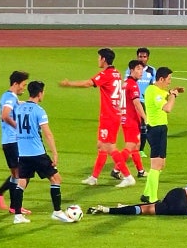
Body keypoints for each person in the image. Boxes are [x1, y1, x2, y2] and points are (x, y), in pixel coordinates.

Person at [59, 48, 135, 187]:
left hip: (110, 115)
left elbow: (89, 83)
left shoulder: (106, 74)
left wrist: (69, 83)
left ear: (104, 59)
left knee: (110, 147)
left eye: (99, 57)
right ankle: (94, 178)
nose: (98, 60)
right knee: (101, 146)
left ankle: (128, 176)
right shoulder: (116, 73)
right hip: (112, 114)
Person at [9, 80, 73, 223]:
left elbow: (16, 105)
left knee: (21, 182)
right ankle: (57, 212)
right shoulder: (39, 111)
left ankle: (18, 216)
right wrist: (55, 153)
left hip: (23, 153)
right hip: (37, 153)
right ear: (40, 93)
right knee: (56, 179)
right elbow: (48, 134)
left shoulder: (19, 108)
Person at [0, 71, 31, 214]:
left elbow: (15, 105)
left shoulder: (8, 96)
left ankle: (12, 204)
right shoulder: (9, 97)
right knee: (24, 173)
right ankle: (11, 203)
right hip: (13, 141)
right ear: (15, 84)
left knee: (16, 174)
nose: (24, 88)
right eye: (23, 85)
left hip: (8, 141)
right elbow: (5, 115)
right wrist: (18, 127)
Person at [140, 66, 182, 203]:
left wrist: (171, 91)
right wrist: (173, 96)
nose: (170, 82)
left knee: (161, 164)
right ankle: (152, 198)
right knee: (156, 165)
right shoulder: (154, 92)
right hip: (156, 130)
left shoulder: (156, 90)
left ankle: (146, 193)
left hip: (161, 129)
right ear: (161, 79)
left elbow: (163, 94)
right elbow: (168, 108)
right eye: (169, 79)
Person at [111, 59, 148, 180]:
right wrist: (145, 118)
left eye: (141, 69)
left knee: (136, 146)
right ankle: (116, 169)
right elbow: (137, 103)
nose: (140, 71)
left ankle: (141, 171)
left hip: (125, 118)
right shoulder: (133, 85)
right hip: (131, 119)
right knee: (130, 147)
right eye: (138, 69)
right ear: (131, 70)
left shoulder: (125, 83)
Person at [90, 181, 187, 216]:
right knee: (147, 210)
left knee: (153, 205)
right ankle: (108, 210)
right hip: (183, 206)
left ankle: (125, 207)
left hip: (177, 192)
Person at [127, 48, 157, 156]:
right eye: (140, 56)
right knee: (134, 126)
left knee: (144, 127)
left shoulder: (152, 71)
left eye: (144, 57)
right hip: (134, 102)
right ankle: (132, 149)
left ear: (148, 58)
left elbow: (155, 86)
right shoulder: (131, 70)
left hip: (146, 102)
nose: (142, 58)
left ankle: (140, 150)